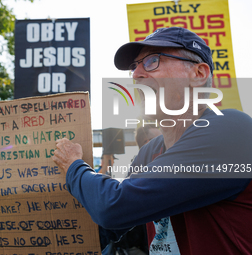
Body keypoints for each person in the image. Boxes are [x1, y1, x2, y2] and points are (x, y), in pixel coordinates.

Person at [52, 27, 252, 254]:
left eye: (152, 61)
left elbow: (114, 207)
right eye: (133, 67)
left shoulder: (233, 129)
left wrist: (74, 166)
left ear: (199, 74)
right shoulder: (150, 151)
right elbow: (111, 225)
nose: (136, 74)